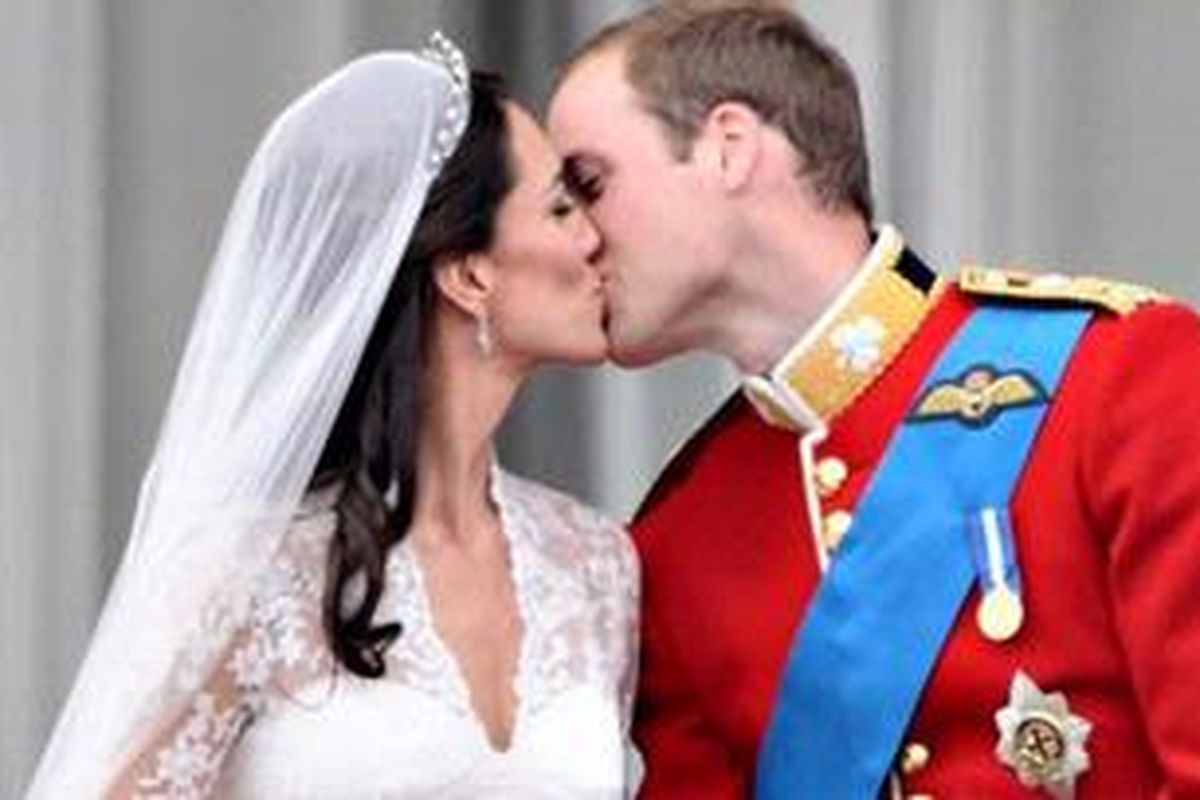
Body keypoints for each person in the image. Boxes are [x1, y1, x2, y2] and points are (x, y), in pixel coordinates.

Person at [549, 3, 1200, 798]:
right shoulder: (677, 541)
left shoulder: (1117, 375)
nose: (573, 239)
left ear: (728, 147)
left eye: (590, 184)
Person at [26, 35, 638, 799]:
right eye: (559, 207)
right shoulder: (248, 570)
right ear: (469, 273)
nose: (596, 238)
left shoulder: (596, 566)